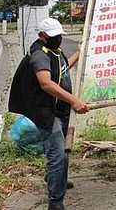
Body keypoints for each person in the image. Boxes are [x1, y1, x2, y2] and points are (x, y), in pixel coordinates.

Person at [30, 18, 89, 210]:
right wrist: (74, 100)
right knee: (58, 156)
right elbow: (45, 83)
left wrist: (79, 53)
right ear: (42, 36)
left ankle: (55, 179)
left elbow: (63, 70)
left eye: (59, 36)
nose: (58, 39)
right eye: (53, 37)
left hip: (62, 111)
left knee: (61, 152)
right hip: (49, 114)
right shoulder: (39, 55)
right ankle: (55, 202)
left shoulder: (56, 51)